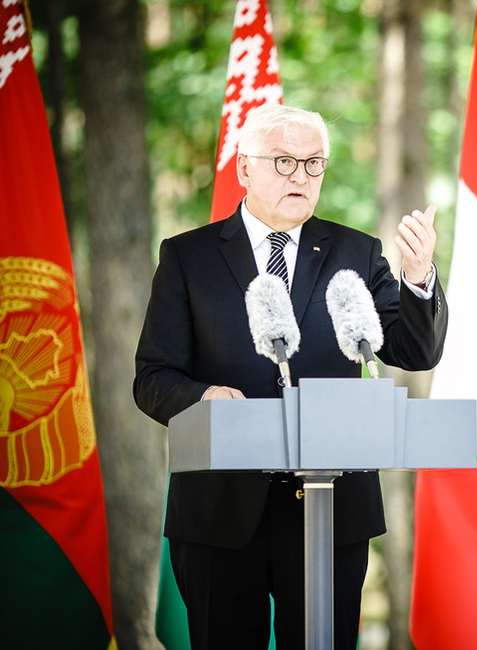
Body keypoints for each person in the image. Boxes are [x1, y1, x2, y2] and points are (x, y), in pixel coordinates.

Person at [133, 102, 447, 649]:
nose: (300, 176)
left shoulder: (357, 252)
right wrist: (203, 396)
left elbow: (412, 352)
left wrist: (419, 279)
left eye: (313, 163)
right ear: (245, 169)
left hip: (333, 511)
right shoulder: (188, 257)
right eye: (283, 162)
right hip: (219, 514)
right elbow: (153, 377)